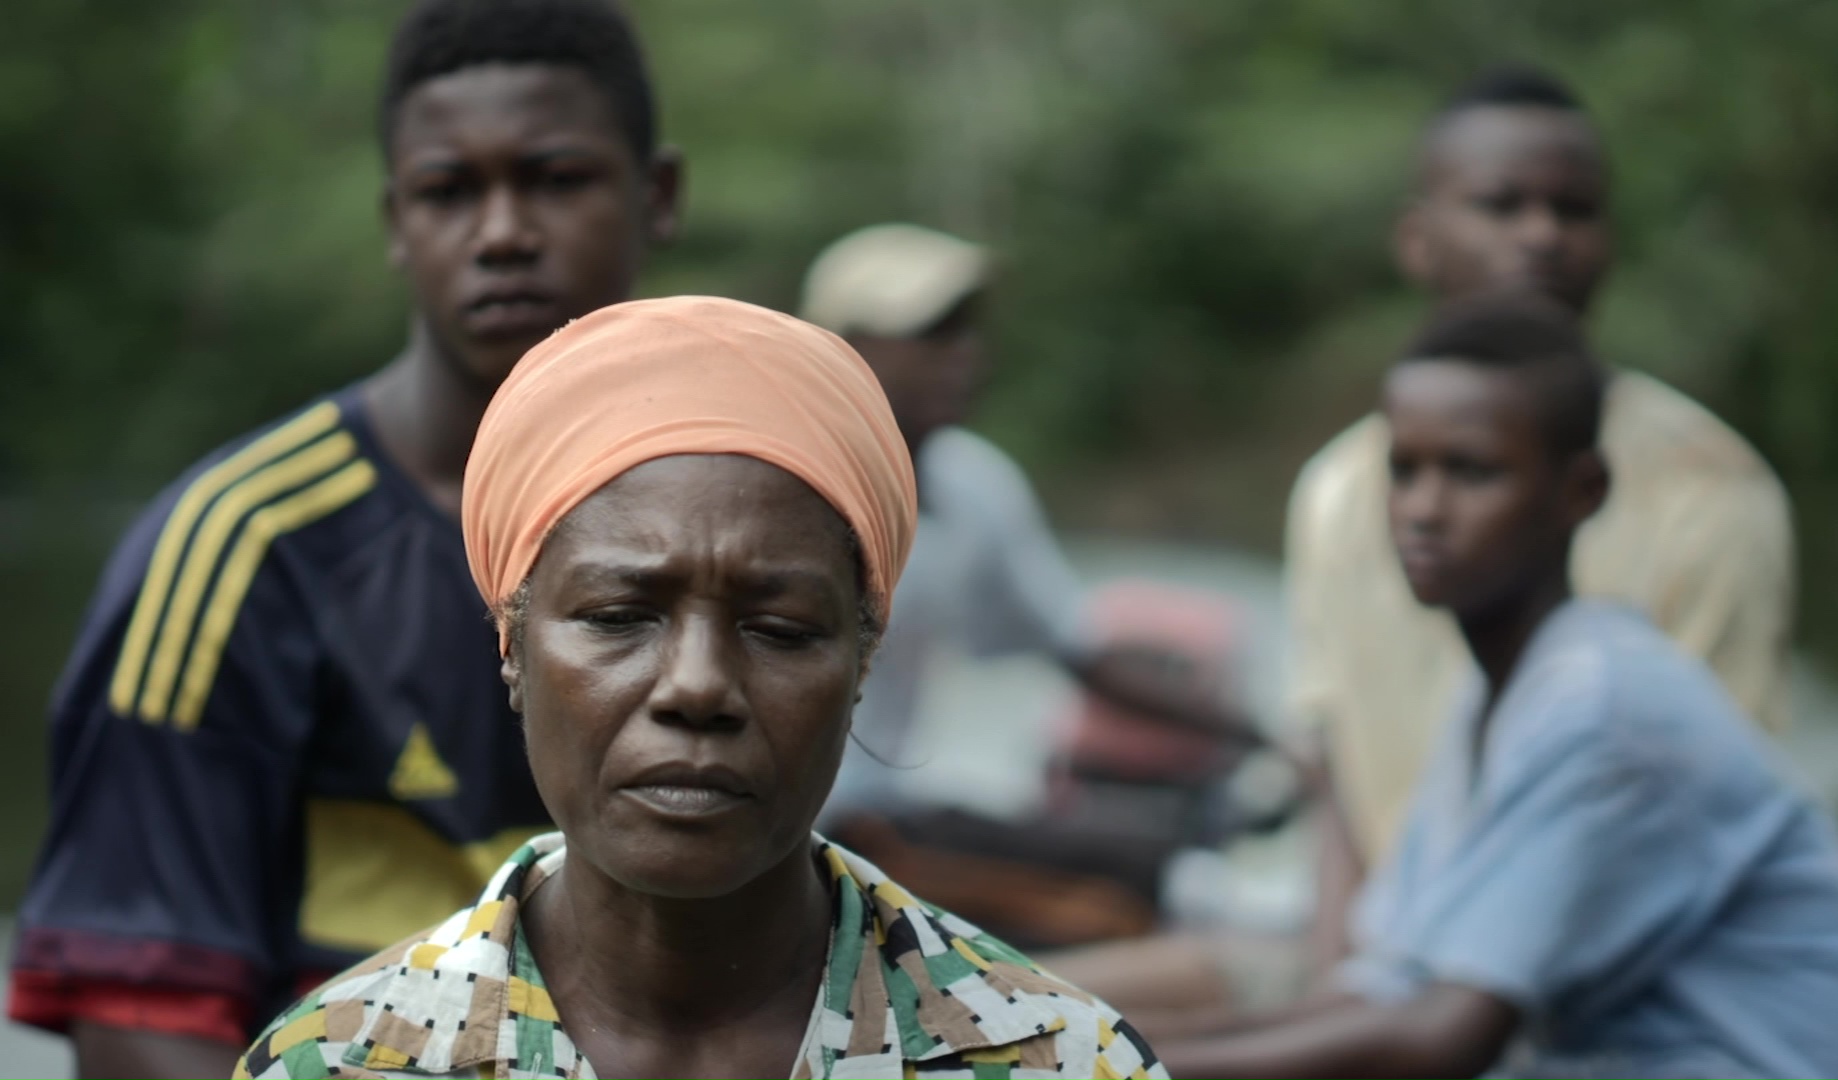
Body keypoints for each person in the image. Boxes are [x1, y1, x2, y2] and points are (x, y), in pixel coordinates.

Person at [235, 296, 1171, 1080]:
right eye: (617, 616)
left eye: (779, 629)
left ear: (864, 657)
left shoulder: (1053, 1060)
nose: (697, 688)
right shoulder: (346, 1063)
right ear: (511, 642)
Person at [8, 2, 682, 1076]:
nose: (503, 231)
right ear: (394, 218)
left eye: (556, 179)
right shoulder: (241, 546)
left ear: (659, 196)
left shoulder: (732, 524)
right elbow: (142, 1018)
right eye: (449, 190)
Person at [1159, 293, 1838, 1080]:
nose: (1423, 511)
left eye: (1471, 472)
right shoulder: (1498, 694)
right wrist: (1101, 1052)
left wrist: (1123, 1068)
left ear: (1582, 492)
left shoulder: (1606, 710)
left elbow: (1444, 1039)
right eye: (1403, 471)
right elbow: (1385, 988)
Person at [1284, 65, 1795, 970]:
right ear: (1418, 239)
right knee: (1050, 1026)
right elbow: (1342, 771)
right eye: (1501, 204)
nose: (1542, 238)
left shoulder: (1709, 492)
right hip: (1395, 963)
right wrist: (1339, 985)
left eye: (1575, 209)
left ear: (1579, 495)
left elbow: (1692, 819)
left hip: (1592, 981)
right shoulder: (1336, 492)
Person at [796, 224, 1268, 945]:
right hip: (819, 824)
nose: (962, 355)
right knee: (1129, 901)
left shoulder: (974, 484)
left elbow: (1075, 646)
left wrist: (1264, 736)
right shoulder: (788, 488)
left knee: (1149, 872)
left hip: (897, 809)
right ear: (842, 344)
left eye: (966, 333)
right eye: (929, 333)